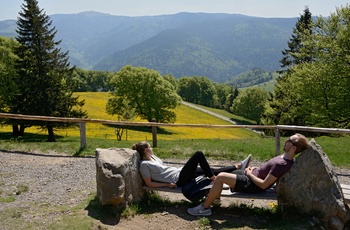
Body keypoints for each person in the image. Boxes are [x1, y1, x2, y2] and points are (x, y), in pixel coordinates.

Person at [187, 133, 310, 216]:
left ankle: (204, 208)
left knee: (220, 177)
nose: (286, 141)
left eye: (289, 141)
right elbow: (268, 171)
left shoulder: (282, 164)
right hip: (251, 177)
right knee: (220, 172)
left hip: (252, 184)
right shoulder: (284, 158)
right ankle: (214, 198)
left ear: (294, 148)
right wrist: (256, 169)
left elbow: (262, 185)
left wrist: (250, 173)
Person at [132, 141, 252, 188]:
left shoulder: (153, 157)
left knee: (210, 170)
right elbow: (149, 183)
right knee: (198, 155)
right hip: (178, 179)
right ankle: (214, 179)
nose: (152, 148)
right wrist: (167, 184)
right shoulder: (144, 165)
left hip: (179, 172)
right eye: (149, 147)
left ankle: (239, 167)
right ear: (145, 151)